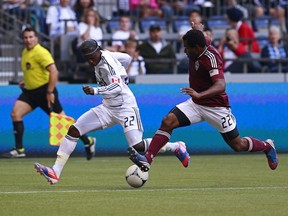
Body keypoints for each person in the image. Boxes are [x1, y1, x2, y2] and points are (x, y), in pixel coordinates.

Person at [34, 39, 190, 184]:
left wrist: (96, 90)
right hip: (107, 108)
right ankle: (55, 171)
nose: (90, 60)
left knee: (138, 147)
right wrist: (122, 72)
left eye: (91, 56)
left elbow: (118, 87)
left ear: (98, 51)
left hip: (125, 107)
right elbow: (127, 58)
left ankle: (176, 146)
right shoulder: (107, 55)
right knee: (74, 130)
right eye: (86, 58)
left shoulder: (107, 63)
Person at [128, 29, 279, 172]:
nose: (185, 51)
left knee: (238, 145)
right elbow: (204, 35)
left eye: (187, 48)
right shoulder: (200, 43)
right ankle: (147, 159)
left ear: (198, 47)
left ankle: (267, 146)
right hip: (196, 104)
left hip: (216, 108)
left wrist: (200, 95)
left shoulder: (210, 59)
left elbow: (221, 85)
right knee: (168, 121)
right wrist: (198, 27)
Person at [1, 27, 96, 160]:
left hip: (45, 92)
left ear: (36, 38)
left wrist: (50, 91)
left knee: (63, 122)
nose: (28, 40)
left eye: (30, 37)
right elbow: (33, 71)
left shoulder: (41, 52)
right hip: (30, 92)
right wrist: (26, 81)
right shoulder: (25, 52)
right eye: (25, 37)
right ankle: (19, 149)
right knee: (15, 114)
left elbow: (54, 71)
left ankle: (88, 141)